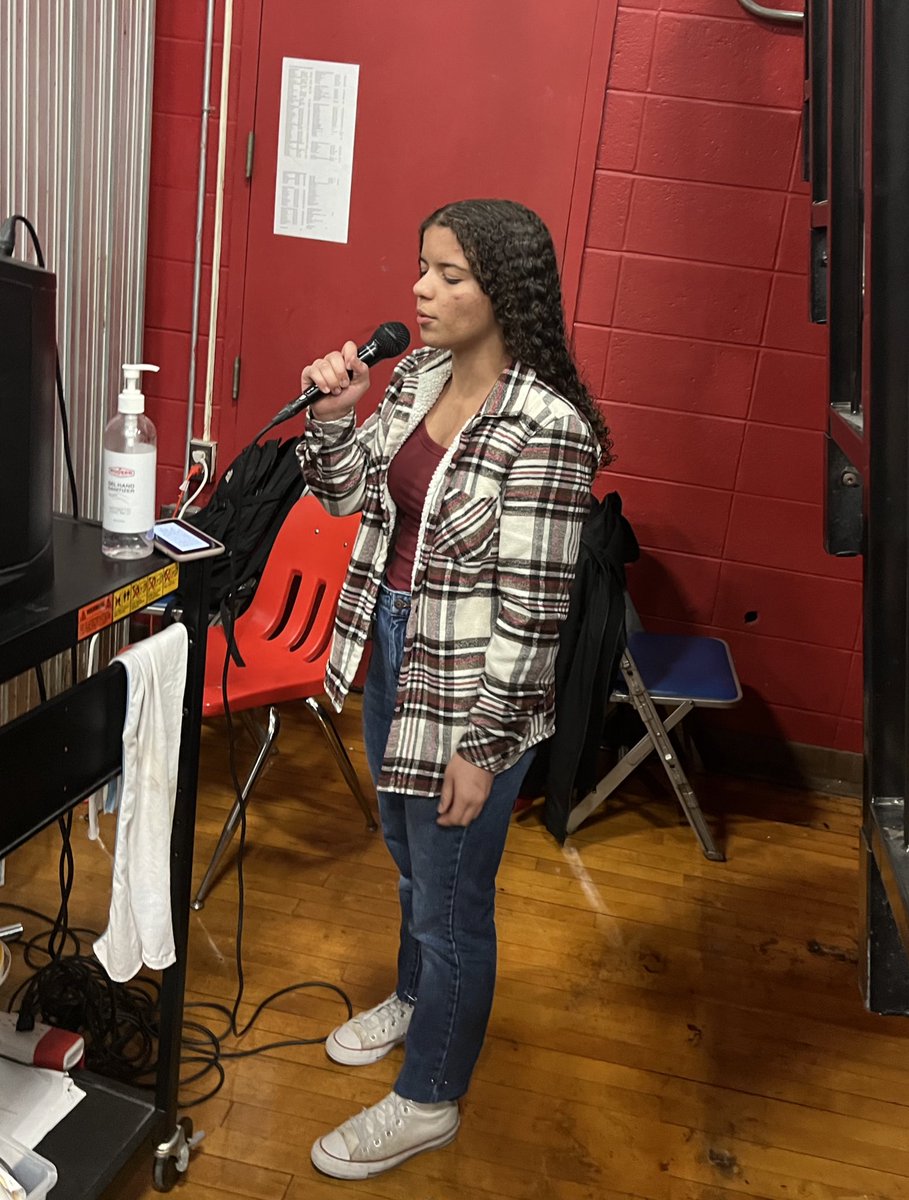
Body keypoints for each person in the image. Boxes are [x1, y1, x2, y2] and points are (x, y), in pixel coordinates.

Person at [296, 198, 613, 1180]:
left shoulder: (548, 427)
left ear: (505, 292)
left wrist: (484, 749)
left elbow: (534, 614)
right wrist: (333, 417)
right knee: (407, 859)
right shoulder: (420, 375)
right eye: (422, 268)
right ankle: (410, 994)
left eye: (449, 275)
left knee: (453, 903)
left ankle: (429, 1096)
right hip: (392, 650)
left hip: (473, 688)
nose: (421, 292)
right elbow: (349, 499)